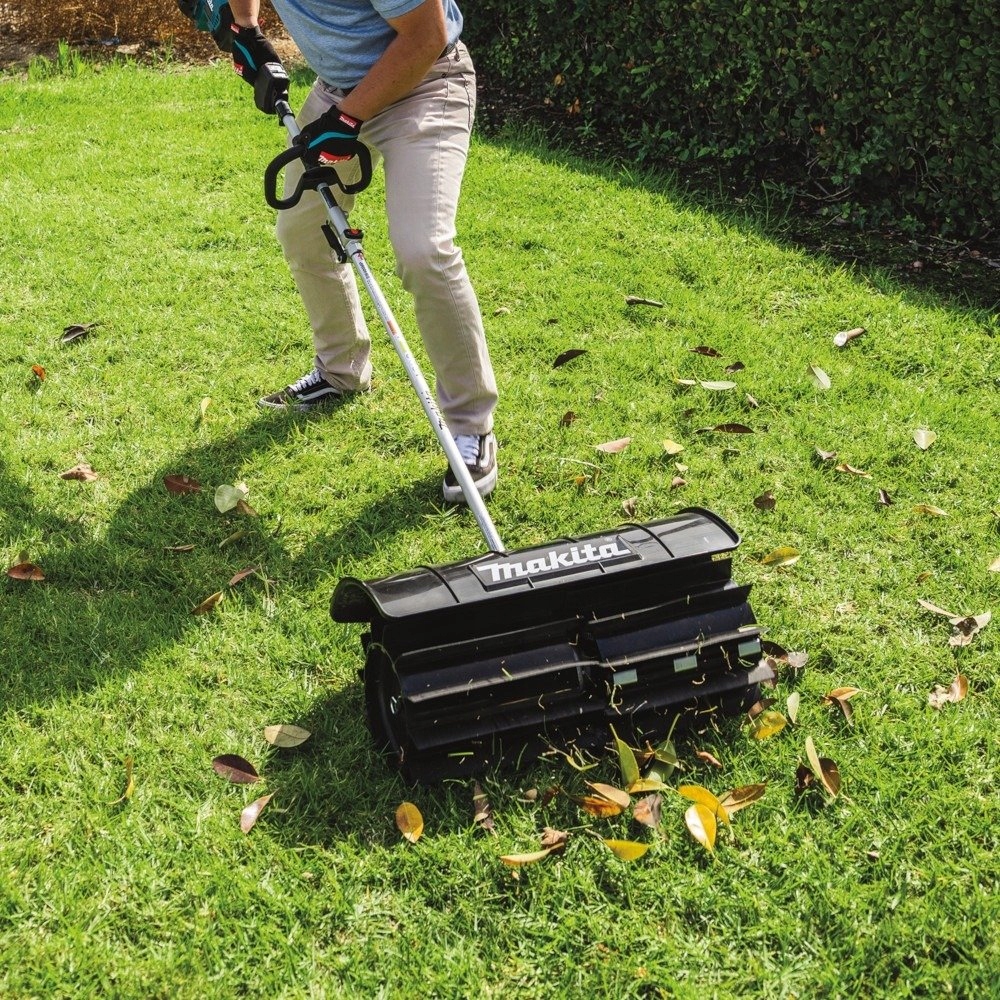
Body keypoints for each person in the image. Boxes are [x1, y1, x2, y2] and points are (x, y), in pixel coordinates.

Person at [209, 0, 498, 502]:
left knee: (424, 250)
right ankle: (342, 370)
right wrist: (246, 25)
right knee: (302, 229)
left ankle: (472, 427)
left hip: (426, 84)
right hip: (337, 92)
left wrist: (348, 118)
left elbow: (426, 35)